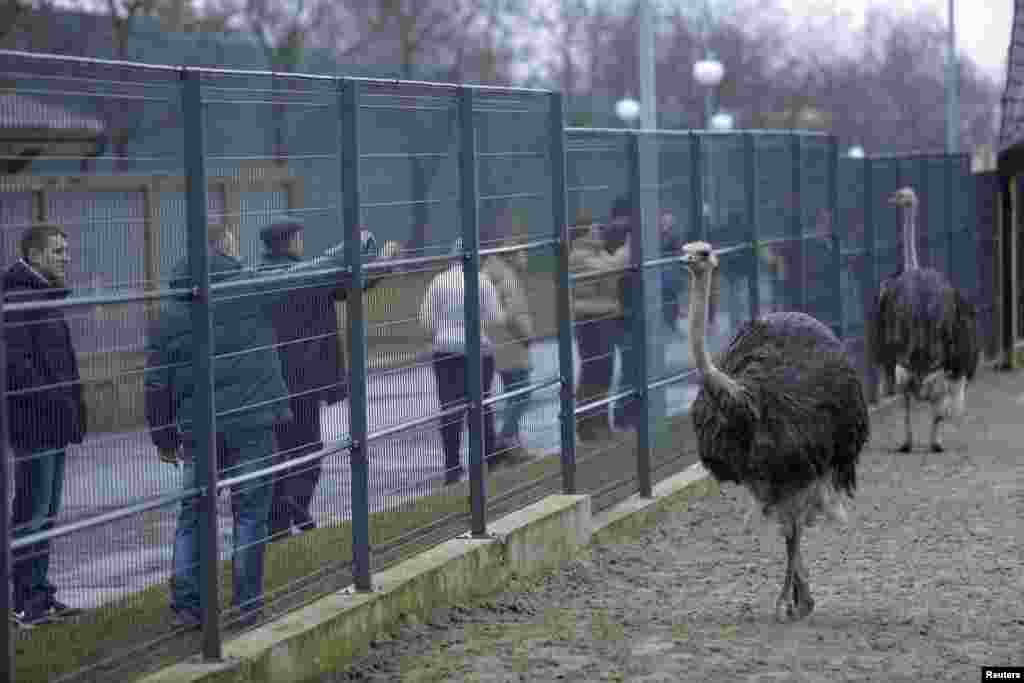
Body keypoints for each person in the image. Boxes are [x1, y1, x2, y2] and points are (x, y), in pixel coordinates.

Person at [145, 224, 292, 629]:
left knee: (193, 514)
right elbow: (305, 278)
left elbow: (157, 379)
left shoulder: (172, 305)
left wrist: (163, 436)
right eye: (231, 241)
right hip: (253, 422)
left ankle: (188, 605)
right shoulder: (248, 287)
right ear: (223, 246)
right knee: (249, 513)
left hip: (199, 427)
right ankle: (247, 604)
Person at [257, 219, 400, 540]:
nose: (302, 242)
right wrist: (385, 262)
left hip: (268, 378)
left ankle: (279, 524)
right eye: (299, 237)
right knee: (309, 448)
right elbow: (353, 284)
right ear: (289, 241)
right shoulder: (311, 275)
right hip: (306, 377)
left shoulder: (259, 276)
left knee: (279, 450)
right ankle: (295, 501)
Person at [4, 223, 86, 627]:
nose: (65, 258)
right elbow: (17, 366)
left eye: (65, 250)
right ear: (34, 255)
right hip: (34, 423)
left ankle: (37, 593)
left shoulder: (43, 296)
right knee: (32, 514)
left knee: (46, 512)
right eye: (57, 251)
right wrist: (56, 399)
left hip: (53, 422)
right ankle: (22, 601)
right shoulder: (18, 298)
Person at [419, 238, 506, 484]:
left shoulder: (439, 281)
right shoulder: (482, 280)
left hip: (446, 349)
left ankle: (452, 467)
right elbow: (496, 318)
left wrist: (443, 330)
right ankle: (486, 459)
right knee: (480, 404)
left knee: (450, 408)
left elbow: (426, 320)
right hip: (478, 349)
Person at [568, 205, 631, 443]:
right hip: (590, 321)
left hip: (603, 318)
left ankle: (599, 422)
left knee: (603, 372)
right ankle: (588, 425)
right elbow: (611, 269)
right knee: (593, 372)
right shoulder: (579, 256)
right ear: (583, 234)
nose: (600, 231)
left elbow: (611, 266)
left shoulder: (596, 252)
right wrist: (628, 247)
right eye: (594, 229)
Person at [481, 224, 535, 463]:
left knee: (515, 394)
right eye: (522, 251)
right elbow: (513, 315)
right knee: (522, 394)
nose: (525, 256)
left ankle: (511, 441)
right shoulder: (507, 278)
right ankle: (507, 440)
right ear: (512, 254)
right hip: (512, 344)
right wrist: (527, 336)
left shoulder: (492, 274)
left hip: (498, 343)